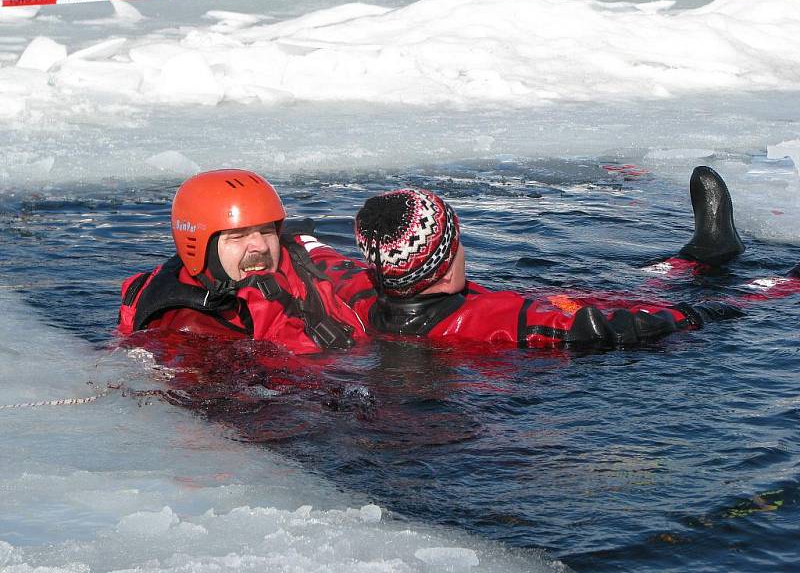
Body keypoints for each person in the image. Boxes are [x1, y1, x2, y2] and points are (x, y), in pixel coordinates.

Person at [310, 166, 793, 348]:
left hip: (528, 307)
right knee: (612, 305)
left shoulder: (363, 295)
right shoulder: (495, 319)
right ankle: (782, 284)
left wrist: (293, 238)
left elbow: (330, 262)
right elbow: (604, 328)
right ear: (445, 254)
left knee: (581, 293)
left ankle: (702, 255)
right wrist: (697, 314)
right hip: (536, 330)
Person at [117, 169, 367, 354]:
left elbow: (343, 273)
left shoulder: (294, 254)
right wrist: (271, 312)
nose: (260, 245)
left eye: (267, 231)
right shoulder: (187, 331)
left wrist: (396, 284)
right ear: (201, 246)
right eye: (238, 236)